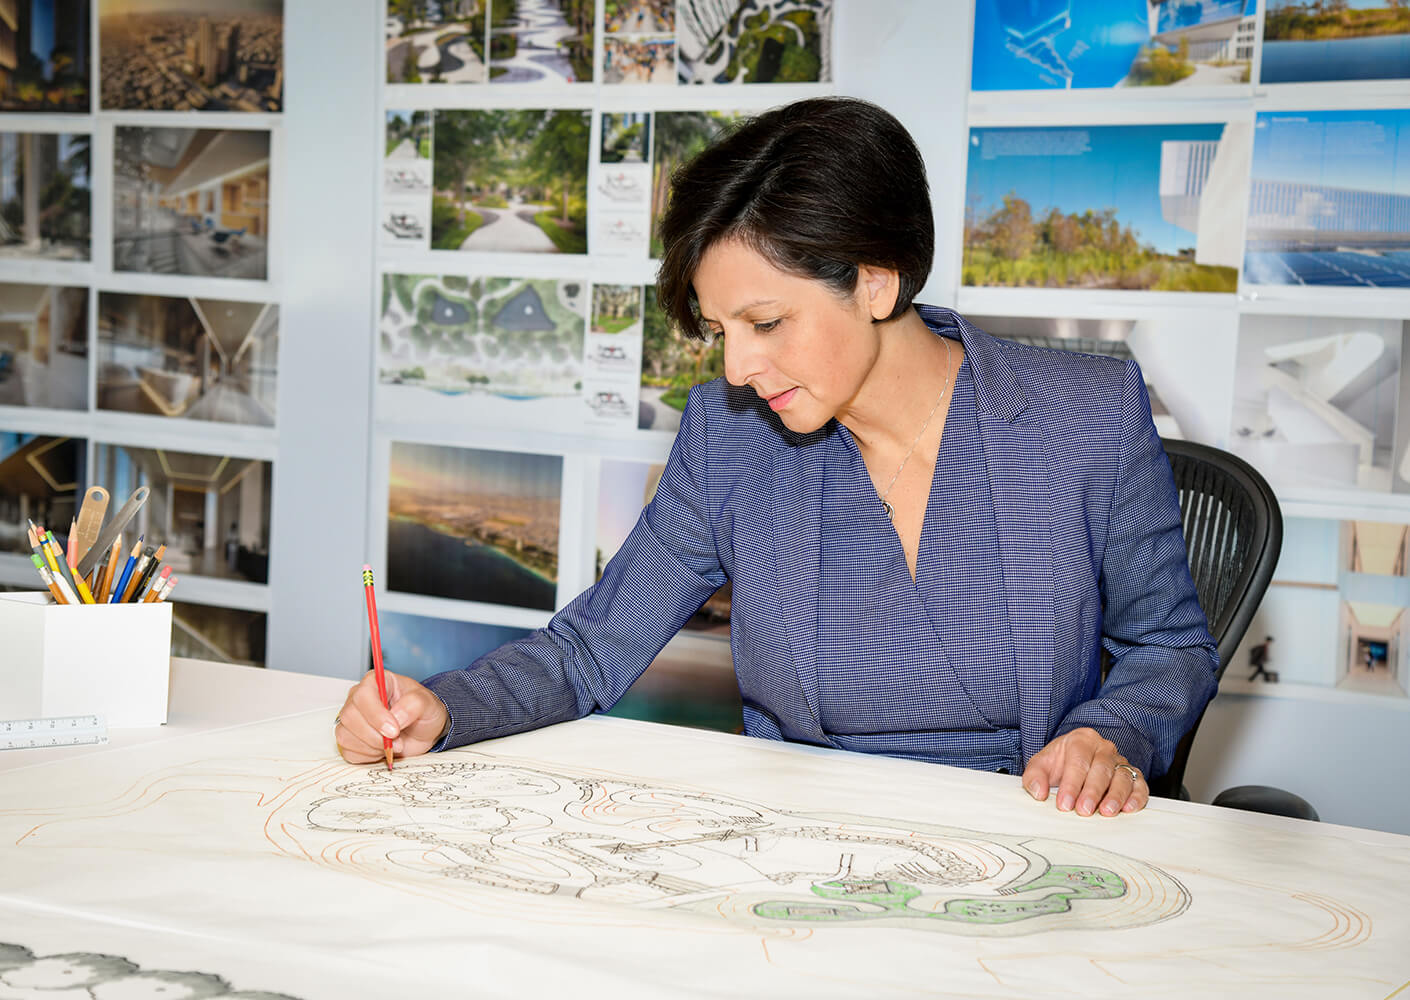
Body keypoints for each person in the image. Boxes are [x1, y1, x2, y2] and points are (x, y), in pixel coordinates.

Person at [337, 97, 1218, 819]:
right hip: (810, 846)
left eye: (765, 324)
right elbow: (588, 650)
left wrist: (1112, 733)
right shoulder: (730, 438)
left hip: (1032, 833)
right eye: (720, 331)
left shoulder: (1087, 414)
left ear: (876, 280)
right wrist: (444, 709)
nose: (736, 368)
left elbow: (1169, 646)